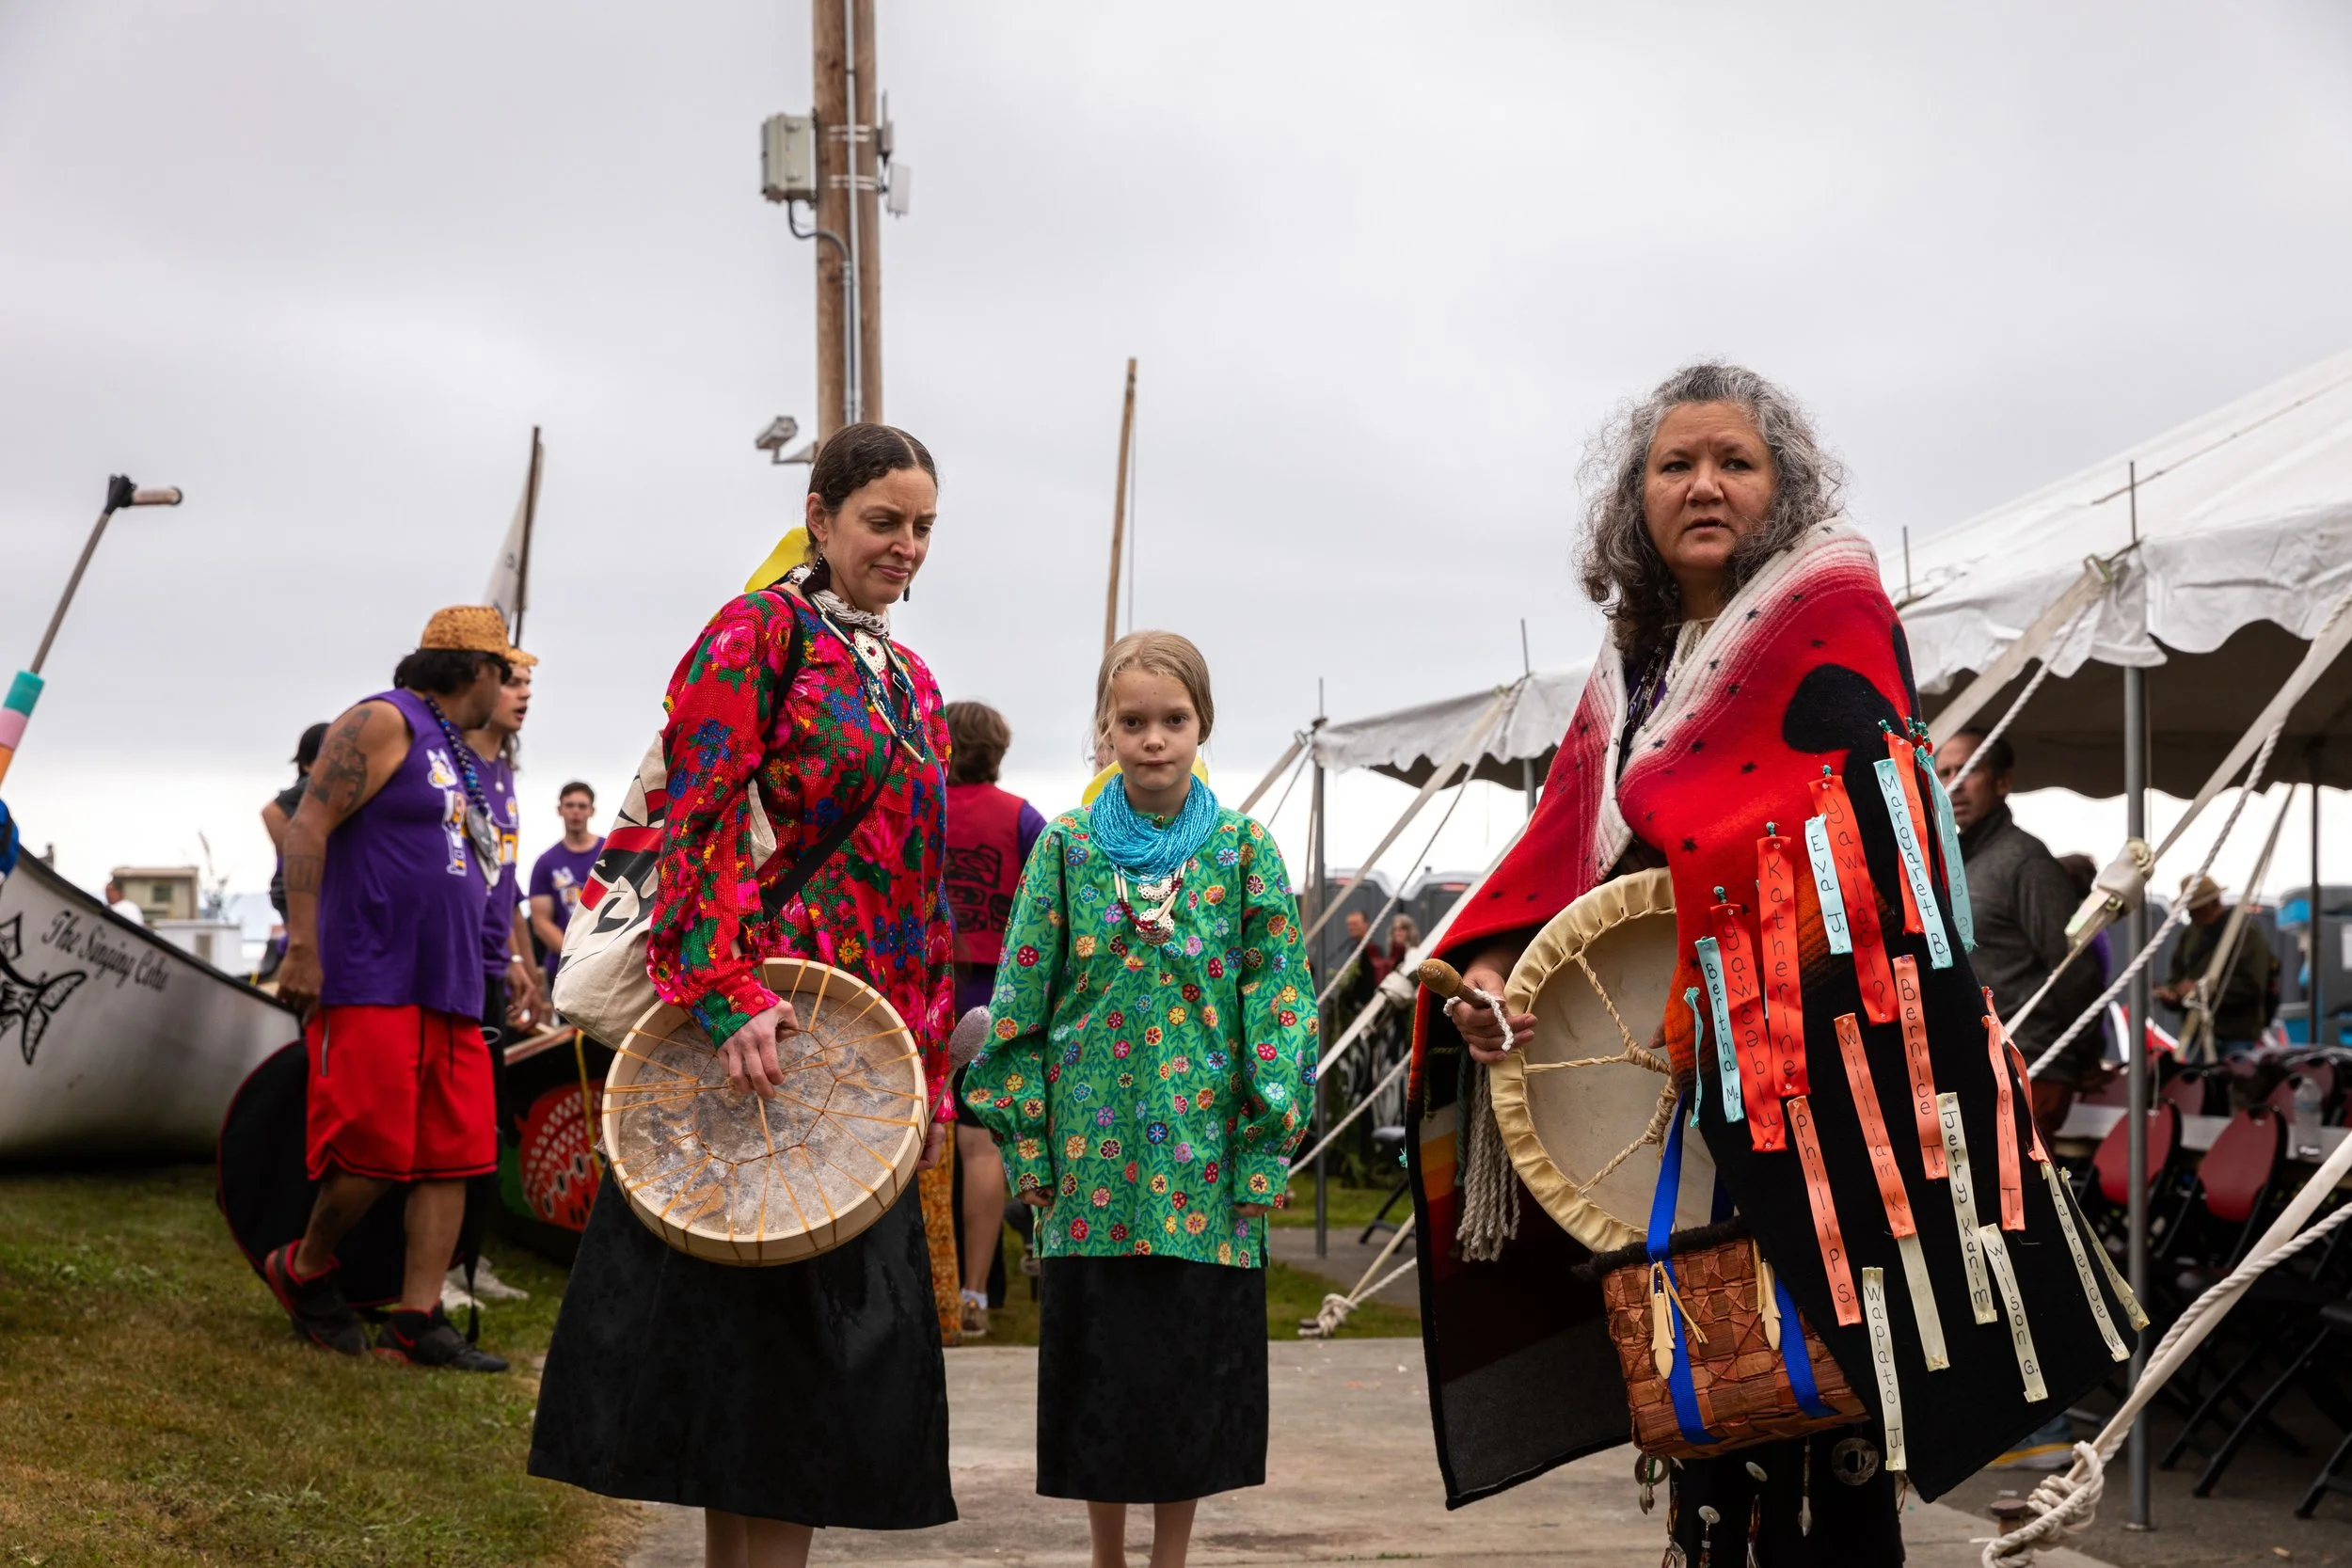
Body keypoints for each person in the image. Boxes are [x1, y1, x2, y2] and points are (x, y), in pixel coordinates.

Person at [1417, 364, 2137, 1560]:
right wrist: (1493, 982)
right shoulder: (1627, 673)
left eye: (1734, 462)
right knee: (1712, 1411)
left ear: (1782, 484)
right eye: (1675, 464)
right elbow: (1549, 863)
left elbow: (1872, 840)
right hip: (1678, 1109)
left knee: (1837, 1427)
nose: (1703, 484)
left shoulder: (1832, 616)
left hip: (1831, 1092)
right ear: (1635, 499)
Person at [531, 424, 957, 1567]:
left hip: (854, 1063)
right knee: (747, 1374)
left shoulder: (912, 681)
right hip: (751, 1046)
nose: (906, 545)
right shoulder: (755, 632)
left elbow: (916, 885)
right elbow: (700, 820)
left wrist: (923, 1072)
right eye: (883, 520)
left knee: (810, 1386)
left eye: (923, 526)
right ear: (819, 517)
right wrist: (725, 994)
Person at [964, 629, 1315, 1568]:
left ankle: (1171, 1556)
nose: (1153, 738)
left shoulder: (1243, 851)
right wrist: (1029, 1145)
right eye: (1132, 721)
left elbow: (1280, 1003)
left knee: (1187, 1379)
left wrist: (1263, 1146)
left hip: (1204, 1170)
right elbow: (1020, 1002)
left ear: (1202, 725)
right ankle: (1106, 1554)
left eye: (1173, 719)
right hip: (1090, 1170)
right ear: (1104, 729)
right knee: (1102, 1376)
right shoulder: (1067, 849)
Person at [265, 606, 523, 1373]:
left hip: (451, 985)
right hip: (372, 974)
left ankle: (415, 1321)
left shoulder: (459, 749)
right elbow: (306, 825)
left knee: (454, 1156)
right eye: (504, 671)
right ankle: (304, 1266)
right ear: (476, 669)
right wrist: (302, 948)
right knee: (372, 1154)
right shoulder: (382, 719)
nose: (508, 685)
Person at [1933, 729, 2106, 1143]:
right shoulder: (1952, 864)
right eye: (1945, 773)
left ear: (2002, 781)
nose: (1956, 783)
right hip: (1973, 1066)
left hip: (2030, 1068)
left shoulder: (2027, 862)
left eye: (1969, 770)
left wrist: (2084, 1058)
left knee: (2023, 1185)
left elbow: (2073, 968)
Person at [941, 699, 1047, 1339]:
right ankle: (974, 1291)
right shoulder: (1024, 817)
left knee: (911, 1139)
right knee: (981, 1148)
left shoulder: (921, 808)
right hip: (996, 995)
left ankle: (926, 1280)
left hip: (929, 990)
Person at [2156, 874, 2279, 1058]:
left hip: (2236, 1034)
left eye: (2194, 910)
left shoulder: (2245, 933)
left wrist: (2200, 991)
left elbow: (2253, 985)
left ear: (2210, 905)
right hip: (2196, 1034)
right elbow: (2177, 976)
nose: (2190, 915)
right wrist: (2173, 994)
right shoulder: (2189, 936)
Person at [528, 781, 604, 989]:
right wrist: (574, 957)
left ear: (592, 811)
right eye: (569, 805)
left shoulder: (610, 854)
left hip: (607, 964)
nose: (575, 812)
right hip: (563, 970)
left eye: (582, 806)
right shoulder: (546, 863)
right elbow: (541, 922)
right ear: (559, 810)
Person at [263, 721, 331, 918]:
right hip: (294, 890)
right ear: (308, 765)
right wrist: (301, 863)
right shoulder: (317, 786)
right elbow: (271, 812)